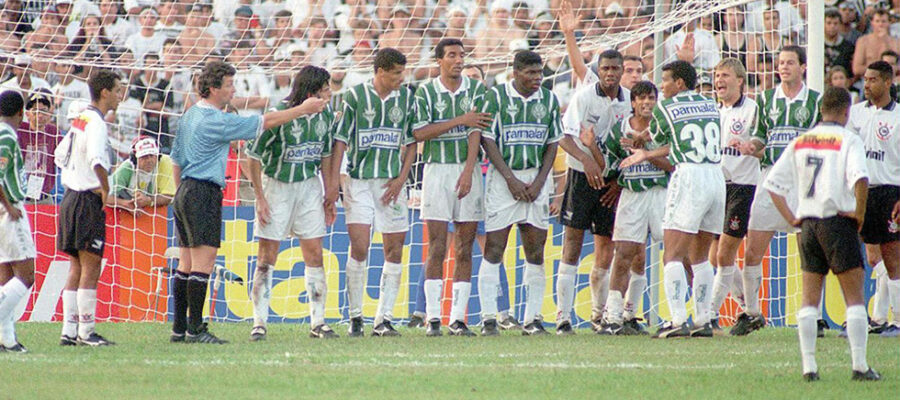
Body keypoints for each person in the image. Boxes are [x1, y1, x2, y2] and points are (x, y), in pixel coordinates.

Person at [169, 60, 329, 344]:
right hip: (204, 191)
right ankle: (195, 329)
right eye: (229, 85)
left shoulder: (190, 115)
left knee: (185, 263)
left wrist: (181, 192)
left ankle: (179, 329)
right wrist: (302, 110)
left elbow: (176, 159)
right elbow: (263, 123)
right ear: (213, 88)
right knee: (203, 264)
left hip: (184, 191)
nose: (234, 90)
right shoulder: (215, 120)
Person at [764, 86, 880, 382]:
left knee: (809, 298)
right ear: (846, 111)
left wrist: (792, 218)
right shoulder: (848, 139)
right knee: (854, 297)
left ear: (820, 110)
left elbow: (772, 185)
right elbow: (861, 178)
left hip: (808, 224)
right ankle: (860, 365)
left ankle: (809, 367)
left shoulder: (802, 140)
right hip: (837, 221)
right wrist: (860, 214)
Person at [620, 60, 725, 338]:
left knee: (672, 254)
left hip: (689, 175)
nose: (662, 86)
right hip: (715, 175)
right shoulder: (710, 103)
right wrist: (647, 151)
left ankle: (678, 320)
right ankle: (703, 319)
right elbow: (679, 140)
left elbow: (657, 139)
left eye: (665, 80)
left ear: (679, 83)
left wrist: (644, 146)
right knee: (700, 257)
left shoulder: (666, 107)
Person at [244, 65, 339, 341]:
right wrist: (260, 197)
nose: (329, 95)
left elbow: (325, 155)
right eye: (325, 91)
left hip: (309, 187)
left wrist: (329, 193)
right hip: (277, 187)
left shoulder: (326, 116)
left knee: (315, 253)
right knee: (267, 257)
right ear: (310, 94)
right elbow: (252, 156)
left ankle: (318, 322)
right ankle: (259, 322)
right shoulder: (279, 114)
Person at [329, 48, 417, 337]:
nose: (401, 78)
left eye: (403, 73)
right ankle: (355, 317)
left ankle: (383, 319)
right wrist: (334, 182)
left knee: (395, 249)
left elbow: (412, 142)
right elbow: (340, 141)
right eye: (396, 73)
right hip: (359, 182)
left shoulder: (407, 99)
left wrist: (401, 180)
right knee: (360, 247)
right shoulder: (354, 96)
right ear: (380, 72)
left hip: (392, 183)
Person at [476, 50, 561, 336]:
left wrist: (540, 182)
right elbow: (487, 140)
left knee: (535, 250)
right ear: (515, 73)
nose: (537, 78)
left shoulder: (549, 99)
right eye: (531, 73)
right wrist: (511, 180)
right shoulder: (496, 97)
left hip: (536, 178)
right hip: (503, 180)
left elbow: (553, 143)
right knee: (494, 248)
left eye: (540, 73)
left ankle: (532, 319)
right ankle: (489, 318)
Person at [412, 39, 489, 337]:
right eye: (452, 55)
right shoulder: (426, 91)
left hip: (468, 171)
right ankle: (433, 318)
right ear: (439, 61)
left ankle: (457, 319)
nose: (458, 60)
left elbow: (476, 131)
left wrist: (469, 171)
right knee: (437, 246)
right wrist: (460, 120)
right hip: (436, 172)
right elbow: (420, 132)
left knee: (465, 248)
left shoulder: (477, 89)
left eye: (462, 55)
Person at [742, 46, 822, 336]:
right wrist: (751, 146)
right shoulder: (765, 99)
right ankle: (751, 313)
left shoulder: (816, 100)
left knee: (809, 250)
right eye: (780, 63)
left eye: (789, 62)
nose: (784, 67)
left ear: (803, 66)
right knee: (752, 251)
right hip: (770, 178)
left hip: (804, 181)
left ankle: (813, 315)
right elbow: (760, 137)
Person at [557, 49, 630, 333]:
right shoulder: (584, 97)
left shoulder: (628, 100)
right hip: (581, 176)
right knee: (572, 242)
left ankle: (598, 316)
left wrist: (618, 181)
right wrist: (585, 159)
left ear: (622, 70)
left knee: (606, 247)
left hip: (611, 181)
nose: (610, 73)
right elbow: (564, 136)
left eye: (615, 68)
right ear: (598, 70)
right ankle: (563, 317)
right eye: (605, 68)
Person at [55, 70, 122, 346]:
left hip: (70, 198)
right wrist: (105, 188)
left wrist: (77, 175)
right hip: (86, 200)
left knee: (76, 265)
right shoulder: (96, 122)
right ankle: (86, 331)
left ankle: (69, 331)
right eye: (117, 90)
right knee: (91, 266)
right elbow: (96, 159)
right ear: (105, 92)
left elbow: (59, 155)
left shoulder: (80, 119)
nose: (120, 96)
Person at [597, 81, 669, 335]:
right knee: (624, 253)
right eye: (641, 98)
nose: (647, 102)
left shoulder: (663, 128)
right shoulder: (620, 130)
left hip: (660, 193)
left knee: (676, 252)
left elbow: (673, 165)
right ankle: (613, 317)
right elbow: (610, 164)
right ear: (633, 102)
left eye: (651, 98)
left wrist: (646, 151)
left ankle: (693, 315)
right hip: (632, 196)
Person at [705, 58, 763, 335]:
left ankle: (709, 316)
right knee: (715, 257)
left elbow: (764, 146)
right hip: (718, 186)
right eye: (717, 76)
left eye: (725, 75)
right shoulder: (713, 111)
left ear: (740, 80)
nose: (719, 80)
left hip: (744, 186)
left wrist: (751, 147)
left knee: (725, 253)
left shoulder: (753, 110)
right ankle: (750, 310)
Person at [847, 61, 900, 337]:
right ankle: (879, 317)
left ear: (888, 82)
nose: (866, 84)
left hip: (890, 191)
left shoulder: (898, 116)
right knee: (872, 256)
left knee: (892, 257)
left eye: (873, 80)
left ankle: (897, 320)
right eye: (865, 79)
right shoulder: (856, 113)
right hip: (862, 190)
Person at [0, 90, 35, 352]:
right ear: (21, 112)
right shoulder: (7, 135)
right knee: (26, 275)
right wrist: (9, 206)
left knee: (6, 276)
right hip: (8, 210)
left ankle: (7, 340)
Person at [107, 136, 175, 210]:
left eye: (152, 155)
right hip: (123, 211)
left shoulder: (164, 163)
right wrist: (125, 203)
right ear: (135, 159)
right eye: (144, 157)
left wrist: (148, 200)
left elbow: (168, 197)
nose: (149, 160)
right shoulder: (126, 169)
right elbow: (106, 196)